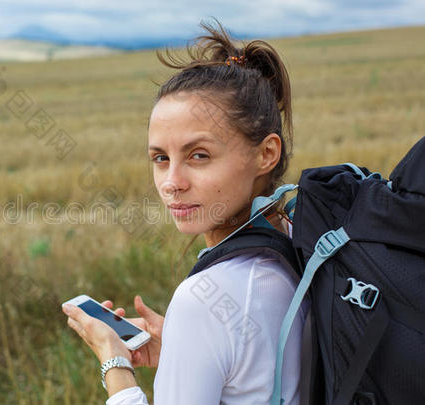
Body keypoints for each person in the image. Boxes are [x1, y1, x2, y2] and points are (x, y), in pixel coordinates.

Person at [61, 18, 309, 405]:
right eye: (160, 158)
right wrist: (188, 352)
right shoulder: (301, 241)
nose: (171, 182)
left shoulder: (204, 301)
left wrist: (114, 363)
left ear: (266, 154)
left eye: (199, 155)